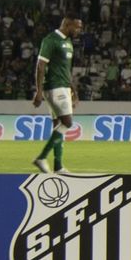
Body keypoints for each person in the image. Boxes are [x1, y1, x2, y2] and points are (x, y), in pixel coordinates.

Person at [32, 13, 82, 174]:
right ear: (68, 25)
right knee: (67, 122)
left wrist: (73, 89)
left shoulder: (68, 42)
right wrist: (38, 91)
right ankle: (41, 157)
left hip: (64, 86)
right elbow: (40, 66)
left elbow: (65, 69)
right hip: (54, 87)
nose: (79, 30)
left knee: (58, 126)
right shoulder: (51, 40)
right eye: (77, 27)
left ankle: (58, 166)